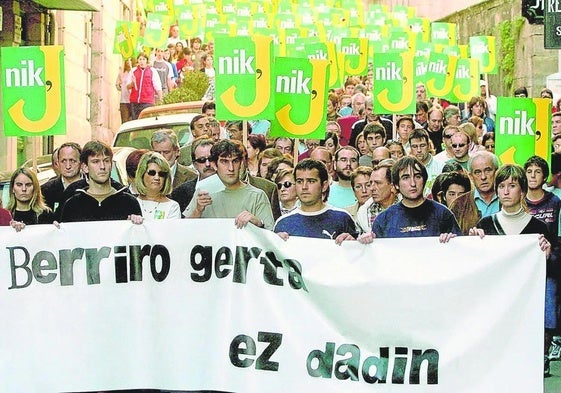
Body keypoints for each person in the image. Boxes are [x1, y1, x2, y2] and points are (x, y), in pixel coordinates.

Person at [469, 164, 555, 376]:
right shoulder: (485, 225)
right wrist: (471, 245)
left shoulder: (538, 228)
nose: (506, 191)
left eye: (512, 185)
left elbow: (547, 269)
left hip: (525, 308)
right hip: (493, 308)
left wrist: (546, 255)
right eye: (501, 186)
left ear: (523, 191)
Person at [359, 156, 461, 241]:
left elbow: (459, 253)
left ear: (424, 180)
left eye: (417, 176)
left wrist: (452, 241)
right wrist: (366, 242)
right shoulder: (384, 219)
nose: (413, 183)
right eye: (405, 178)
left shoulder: (442, 214)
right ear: (396, 185)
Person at [189, 140, 275, 229]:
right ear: (214, 165)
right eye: (224, 162)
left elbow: (271, 235)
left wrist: (258, 223)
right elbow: (184, 230)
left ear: (241, 163)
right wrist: (197, 211)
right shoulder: (203, 192)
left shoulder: (257, 196)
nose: (231, 168)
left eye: (235, 161)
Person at [274, 159, 357, 241]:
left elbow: (359, 252)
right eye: (299, 181)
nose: (304, 187)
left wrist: (352, 243)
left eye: (311, 181)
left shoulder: (342, 218)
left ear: (324, 186)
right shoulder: (283, 223)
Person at [59, 141, 142, 223]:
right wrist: (54, 228)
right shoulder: (72, 204)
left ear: (111, 164)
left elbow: (138, 235)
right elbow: (63, 234)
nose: (102, 167)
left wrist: (136, 223)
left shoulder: (129, 202)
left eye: (106, 161)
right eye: (95, 162)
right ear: (85, 167)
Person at [134, 151, 181, 220]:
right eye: (152, 173)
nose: (157, 178)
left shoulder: (172, 206)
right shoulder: (131, 203)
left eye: (161, 174)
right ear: (142, 174)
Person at [356, 159, 398, 233]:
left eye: (378, 183)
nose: (372, 188)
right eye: (371, 183)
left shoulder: (408, 207)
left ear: (392, 185)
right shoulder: (363, 213)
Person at [41, 142, 83, 214]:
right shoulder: (45, 191)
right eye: (63, 161)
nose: (68, 166)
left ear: (81, 162)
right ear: (58, 163)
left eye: (72, 161)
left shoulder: (92, 187)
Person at [127, 52, 163, 120]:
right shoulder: (133, 71)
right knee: (136, 121)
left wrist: (161, 99)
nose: (141, 61)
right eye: (140, 59)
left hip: (147, 102)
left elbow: (157, 86)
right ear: (137, 60)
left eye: (143, 59)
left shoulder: (152, 71)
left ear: (147, 60)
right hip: (135, 102)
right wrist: (132, 83)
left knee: (145, 121)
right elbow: (127, 87)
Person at [408, 128, 444, 195]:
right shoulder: (406, 168)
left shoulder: (441, 166)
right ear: (410, 147)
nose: (419, 150)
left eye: (422, 145)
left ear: (428, 145)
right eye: (415, 146)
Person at [468, 150, 500, 218]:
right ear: (471, 177)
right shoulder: (459, 204)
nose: (483, 177)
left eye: (488, 170)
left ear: (497, 172)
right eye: (477, 172)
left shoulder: (509, 200)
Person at [116, 57, 133, 123]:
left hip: (133, 100)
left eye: (130, 60)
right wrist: (120, 85)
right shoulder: (122, 73)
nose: (128, 62)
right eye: (127, 60)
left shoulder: (134, 72)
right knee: (125, 121)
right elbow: (117, 86)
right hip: (124, 101)